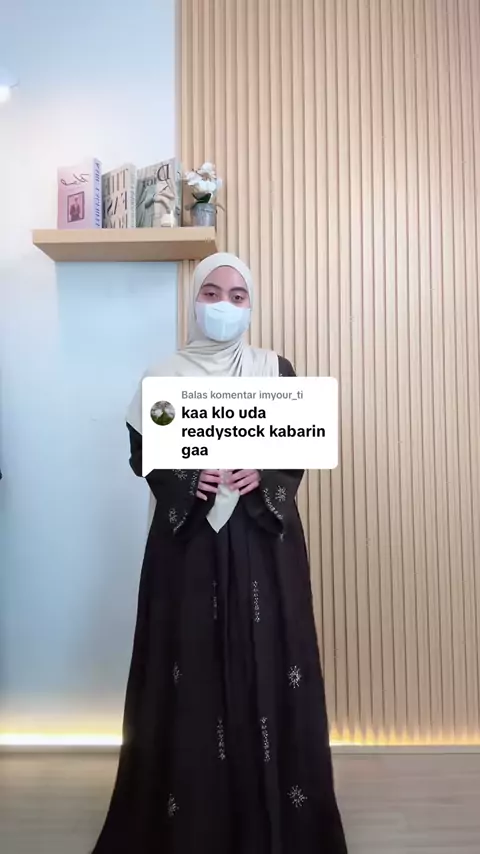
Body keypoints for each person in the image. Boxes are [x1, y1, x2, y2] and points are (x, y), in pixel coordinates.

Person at [91, 253, 348, 854]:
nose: (224, 306)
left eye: (237, 295)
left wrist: (266, 474)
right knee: (190, 666)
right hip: (189, 546)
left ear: (250, 306)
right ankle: (188, 815)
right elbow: (142, 455)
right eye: (212, 292)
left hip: (263, 543)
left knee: (269, 660)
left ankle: (274, 813)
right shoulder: (163, 376)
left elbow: (296, 449)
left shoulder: (274, 370)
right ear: (194, 301)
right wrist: (188, 477)